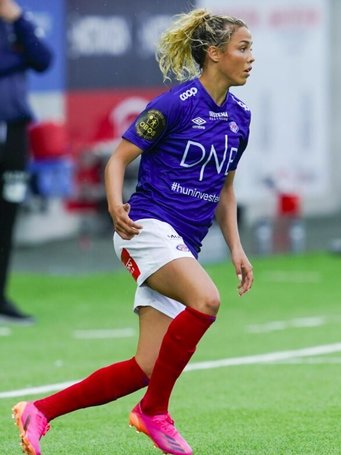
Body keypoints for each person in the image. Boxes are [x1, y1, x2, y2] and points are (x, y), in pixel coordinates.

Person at [12, 8, 254, 455]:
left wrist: (237, 247)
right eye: (243, 48)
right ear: (215, 54)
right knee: (207, 300)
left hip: (183, 246)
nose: (251, 57)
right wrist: (114, 207)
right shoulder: (175, 104)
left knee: (145, 366)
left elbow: (225, 191)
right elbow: (118, 159)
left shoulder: (240, 117)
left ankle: (39, 411)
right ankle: (153, 412)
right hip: (146, 227)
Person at [0, 0, 53, 324]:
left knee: (7, 215)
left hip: (15, 132)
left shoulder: (15, 21)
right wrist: (17, 58)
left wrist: (18, 19)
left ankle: (0, 298)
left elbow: (43, 59)